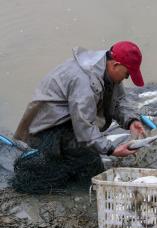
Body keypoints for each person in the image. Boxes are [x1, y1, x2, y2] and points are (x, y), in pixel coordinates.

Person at [12, 41, 146, 193]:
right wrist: (112, 149)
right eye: (127, 74)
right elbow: (84, 127)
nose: (126, 78)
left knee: (87, 156)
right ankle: (64, 160)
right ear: (115, 65)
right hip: (48, 127)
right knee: (91, 165)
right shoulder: (83, 81)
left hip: (70, 119)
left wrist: (131, 121)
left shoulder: (107, 67)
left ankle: (68, 160)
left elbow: (118, 102)